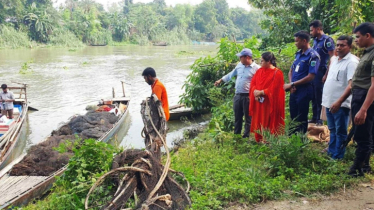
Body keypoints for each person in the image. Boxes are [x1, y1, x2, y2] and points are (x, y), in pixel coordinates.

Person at [322, 35, 358, 159]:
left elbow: (351, 84)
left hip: (340, 104)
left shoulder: (352, 62)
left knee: (341, 131)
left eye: (342, 45)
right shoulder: (334, 59)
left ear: (350, 46)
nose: (338, 47)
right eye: (337, 45)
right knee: (332, 130)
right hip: (329, 102)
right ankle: (331, 152)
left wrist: (339, 101)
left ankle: (338, 156)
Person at [214, 48, 260, 138]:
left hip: (248, 97)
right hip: (238, 95)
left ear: (247, 57)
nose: (239, 59)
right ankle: (237, 136)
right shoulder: (239, 65)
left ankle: (246, 136)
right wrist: (220, 80)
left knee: (248, 118)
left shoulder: (257, 68)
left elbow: (261, 82)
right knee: (237, 117)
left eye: (241, 57)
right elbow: (231, 74)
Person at [348, 22, 374, 177]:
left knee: (362, 134)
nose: (356, 40)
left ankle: (357, 168)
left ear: (368, 36)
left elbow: (373, 85)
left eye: (358, 37)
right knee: (365, 133)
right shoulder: (367, 52)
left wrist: (363, 109)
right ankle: (365, 166)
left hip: (365, 98)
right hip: (359, 96)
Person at [284, 31, 320, 134]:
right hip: (294, 89)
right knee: (293, 114)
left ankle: (300, 140)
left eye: (297, 41)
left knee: (301, 116)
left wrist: (293, 84)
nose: (295, 43)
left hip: (305, 90)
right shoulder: (298, 54)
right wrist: (291, 84)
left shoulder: (313, 56)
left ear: (304, 41)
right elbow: (291, 71)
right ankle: (292, 138)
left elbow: (311, 76)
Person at [249, 52, 285, 142]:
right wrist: (255, 92)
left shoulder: (277, 73)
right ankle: (259, 139)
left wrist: (262, 92)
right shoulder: (259, 71)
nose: (260, 63)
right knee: (259, 120)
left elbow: (275, 89)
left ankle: (269, 141)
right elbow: (253, 83)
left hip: (269, 103)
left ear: (269, 61)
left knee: (268, 120)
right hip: (259, 102)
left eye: (262, 61)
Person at [309, 20, 335, 125]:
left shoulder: (327, 40)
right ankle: (314, 117)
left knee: (320, 95)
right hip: (313, 72)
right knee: (314, 95)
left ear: (318, 29)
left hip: (322, 71)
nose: (310, 32)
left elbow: (332, 59)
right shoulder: (315, 40)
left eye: (312, 30)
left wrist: (326, 74)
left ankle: (320, 119)